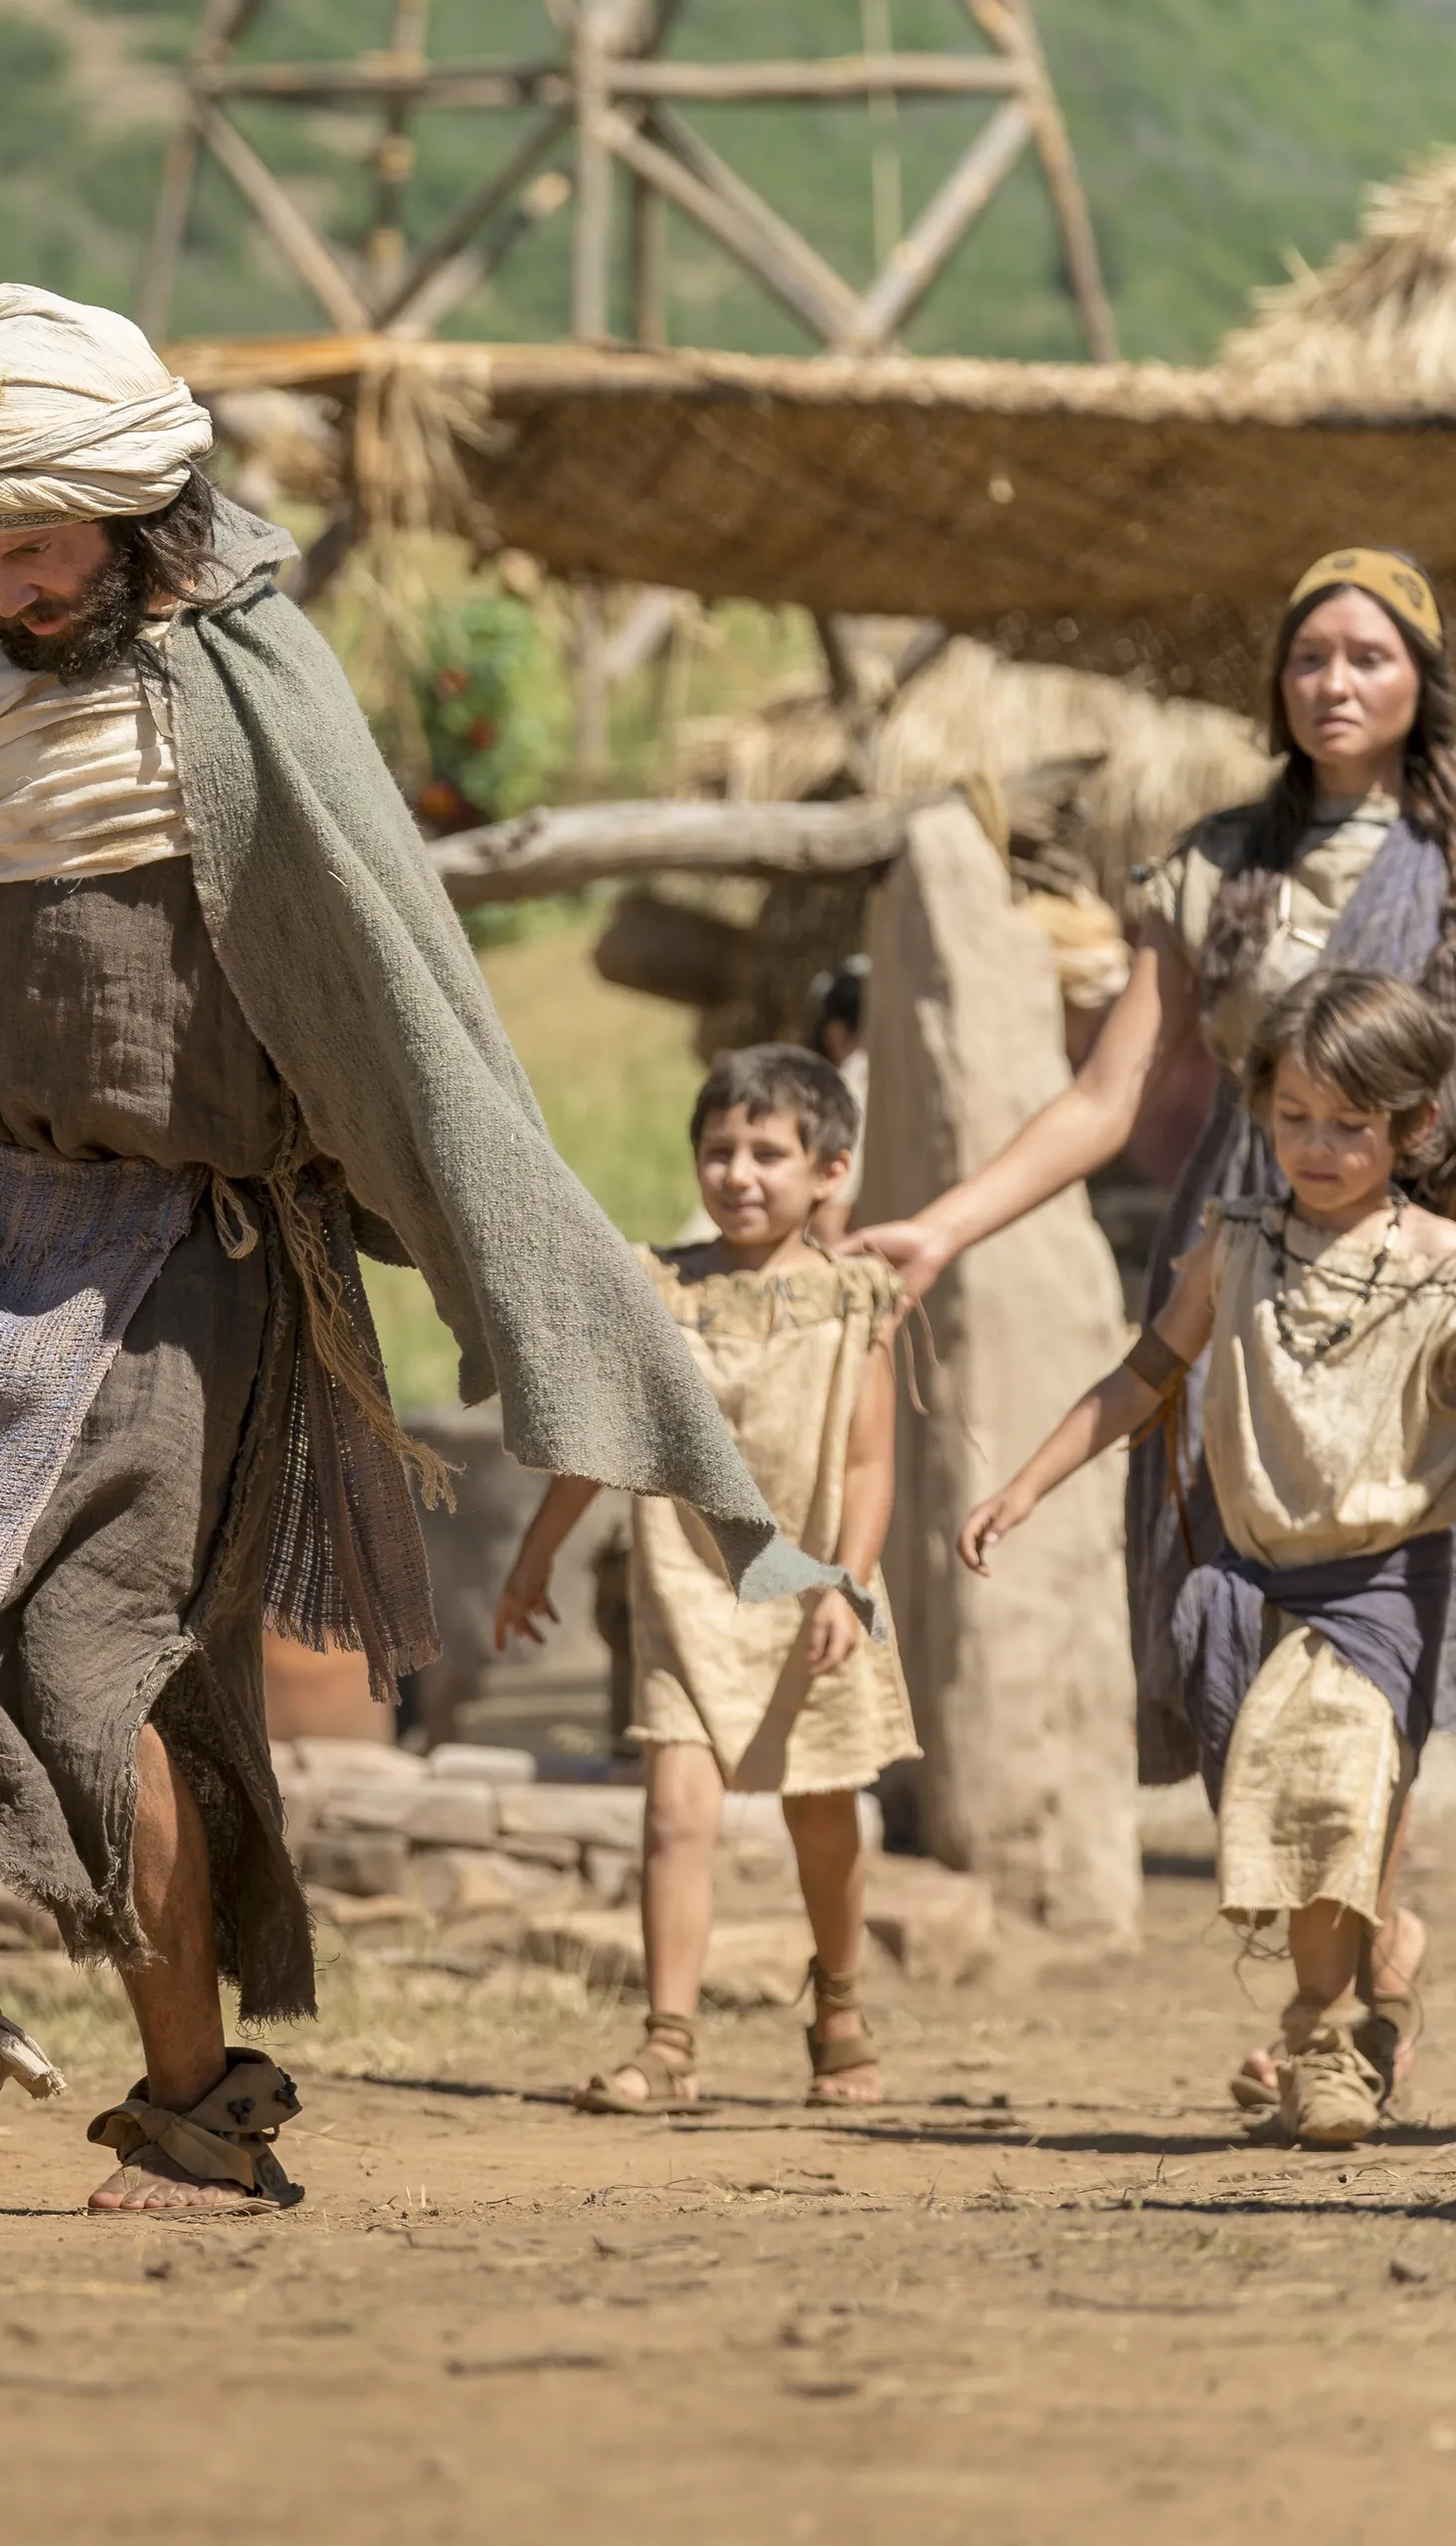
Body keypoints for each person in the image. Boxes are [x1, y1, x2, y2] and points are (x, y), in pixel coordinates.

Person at [0, 284, 824, 2213]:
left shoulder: (239, 653)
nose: (7, 577)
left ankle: (198, 2106)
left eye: (39, 543)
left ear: (131, 509)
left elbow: (386, 971)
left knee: (94, 1672)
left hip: (185, 1229)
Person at [847, 549, 1451, 2096]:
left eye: (1368, 659)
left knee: (1378, 1613)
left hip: (1417, 1274)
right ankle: (1365, 1952)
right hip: (1236, 1267)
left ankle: (1334, 2006)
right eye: (1310, 657)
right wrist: (944, 1223)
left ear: (1419, 682)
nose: (1335, 683)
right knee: (1239, 1614)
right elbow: (1108, 1099)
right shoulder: (1217, 867)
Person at [959, 969, 1456, 2149]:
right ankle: (1380, 1965)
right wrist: (1024, 1484)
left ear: (1412, 1126)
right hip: (1250, 1584)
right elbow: (1146, 1377)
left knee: (1330, 1779)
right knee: (1287, 1818)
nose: (1319, 1146)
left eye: (1351, 1123)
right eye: (1295, 1119)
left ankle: (1323, 2041)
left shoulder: (1441, 1267)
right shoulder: (1232, 1247)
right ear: (1260, 1111)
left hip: (1386, 1580)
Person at [498, 1046, 913, 2111]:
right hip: (685, 1592)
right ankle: (669, 2043)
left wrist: (844, 1586)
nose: (739, 1173)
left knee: (823, 1815)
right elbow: (608, 1439)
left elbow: (870, 1464)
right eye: (718, 1150)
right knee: (677, 1815)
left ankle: (841, 2007)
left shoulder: (856, 1303)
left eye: (767, 1152)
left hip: (814, 1593)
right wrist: (538, 1549)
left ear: (829, 1170)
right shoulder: (659, 1292)